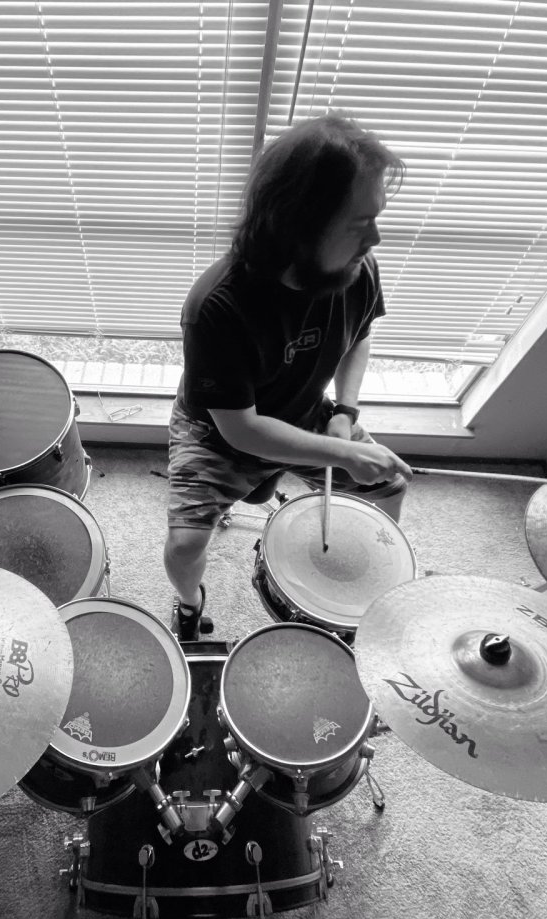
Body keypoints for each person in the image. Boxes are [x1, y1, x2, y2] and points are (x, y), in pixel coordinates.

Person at [164, 112, 413, 642]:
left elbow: (359, 335)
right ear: (301, 224)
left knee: (389, 488)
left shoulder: (355, 269)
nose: (375, 237)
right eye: (359, 223)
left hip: (304, 413)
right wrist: (342, 453)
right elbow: (243, 431)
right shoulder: (216, 306)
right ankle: (187, 603)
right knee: (185, 545)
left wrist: (344, 414)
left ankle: (354, 593)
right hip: (218, 434)